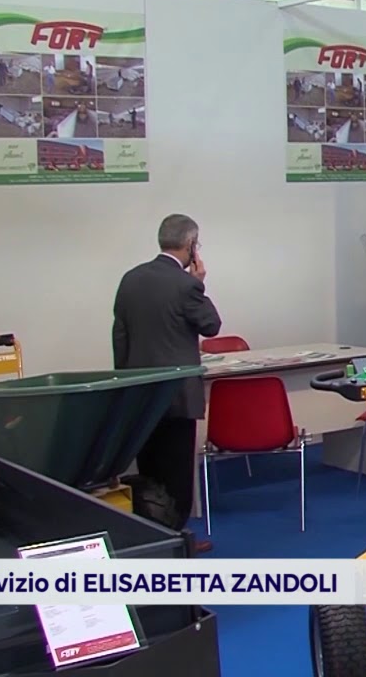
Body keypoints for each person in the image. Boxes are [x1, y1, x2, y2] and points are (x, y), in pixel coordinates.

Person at [113, 214, 221, 547]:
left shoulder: (130, 279)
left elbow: (120, 335)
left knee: (149, 470)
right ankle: (178, 541)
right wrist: (200, 282)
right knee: (176, 477)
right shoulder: (186, 284)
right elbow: (212, 325)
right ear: (191, 245)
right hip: (177, 396)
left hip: (140, 395)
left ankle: (151, 538)